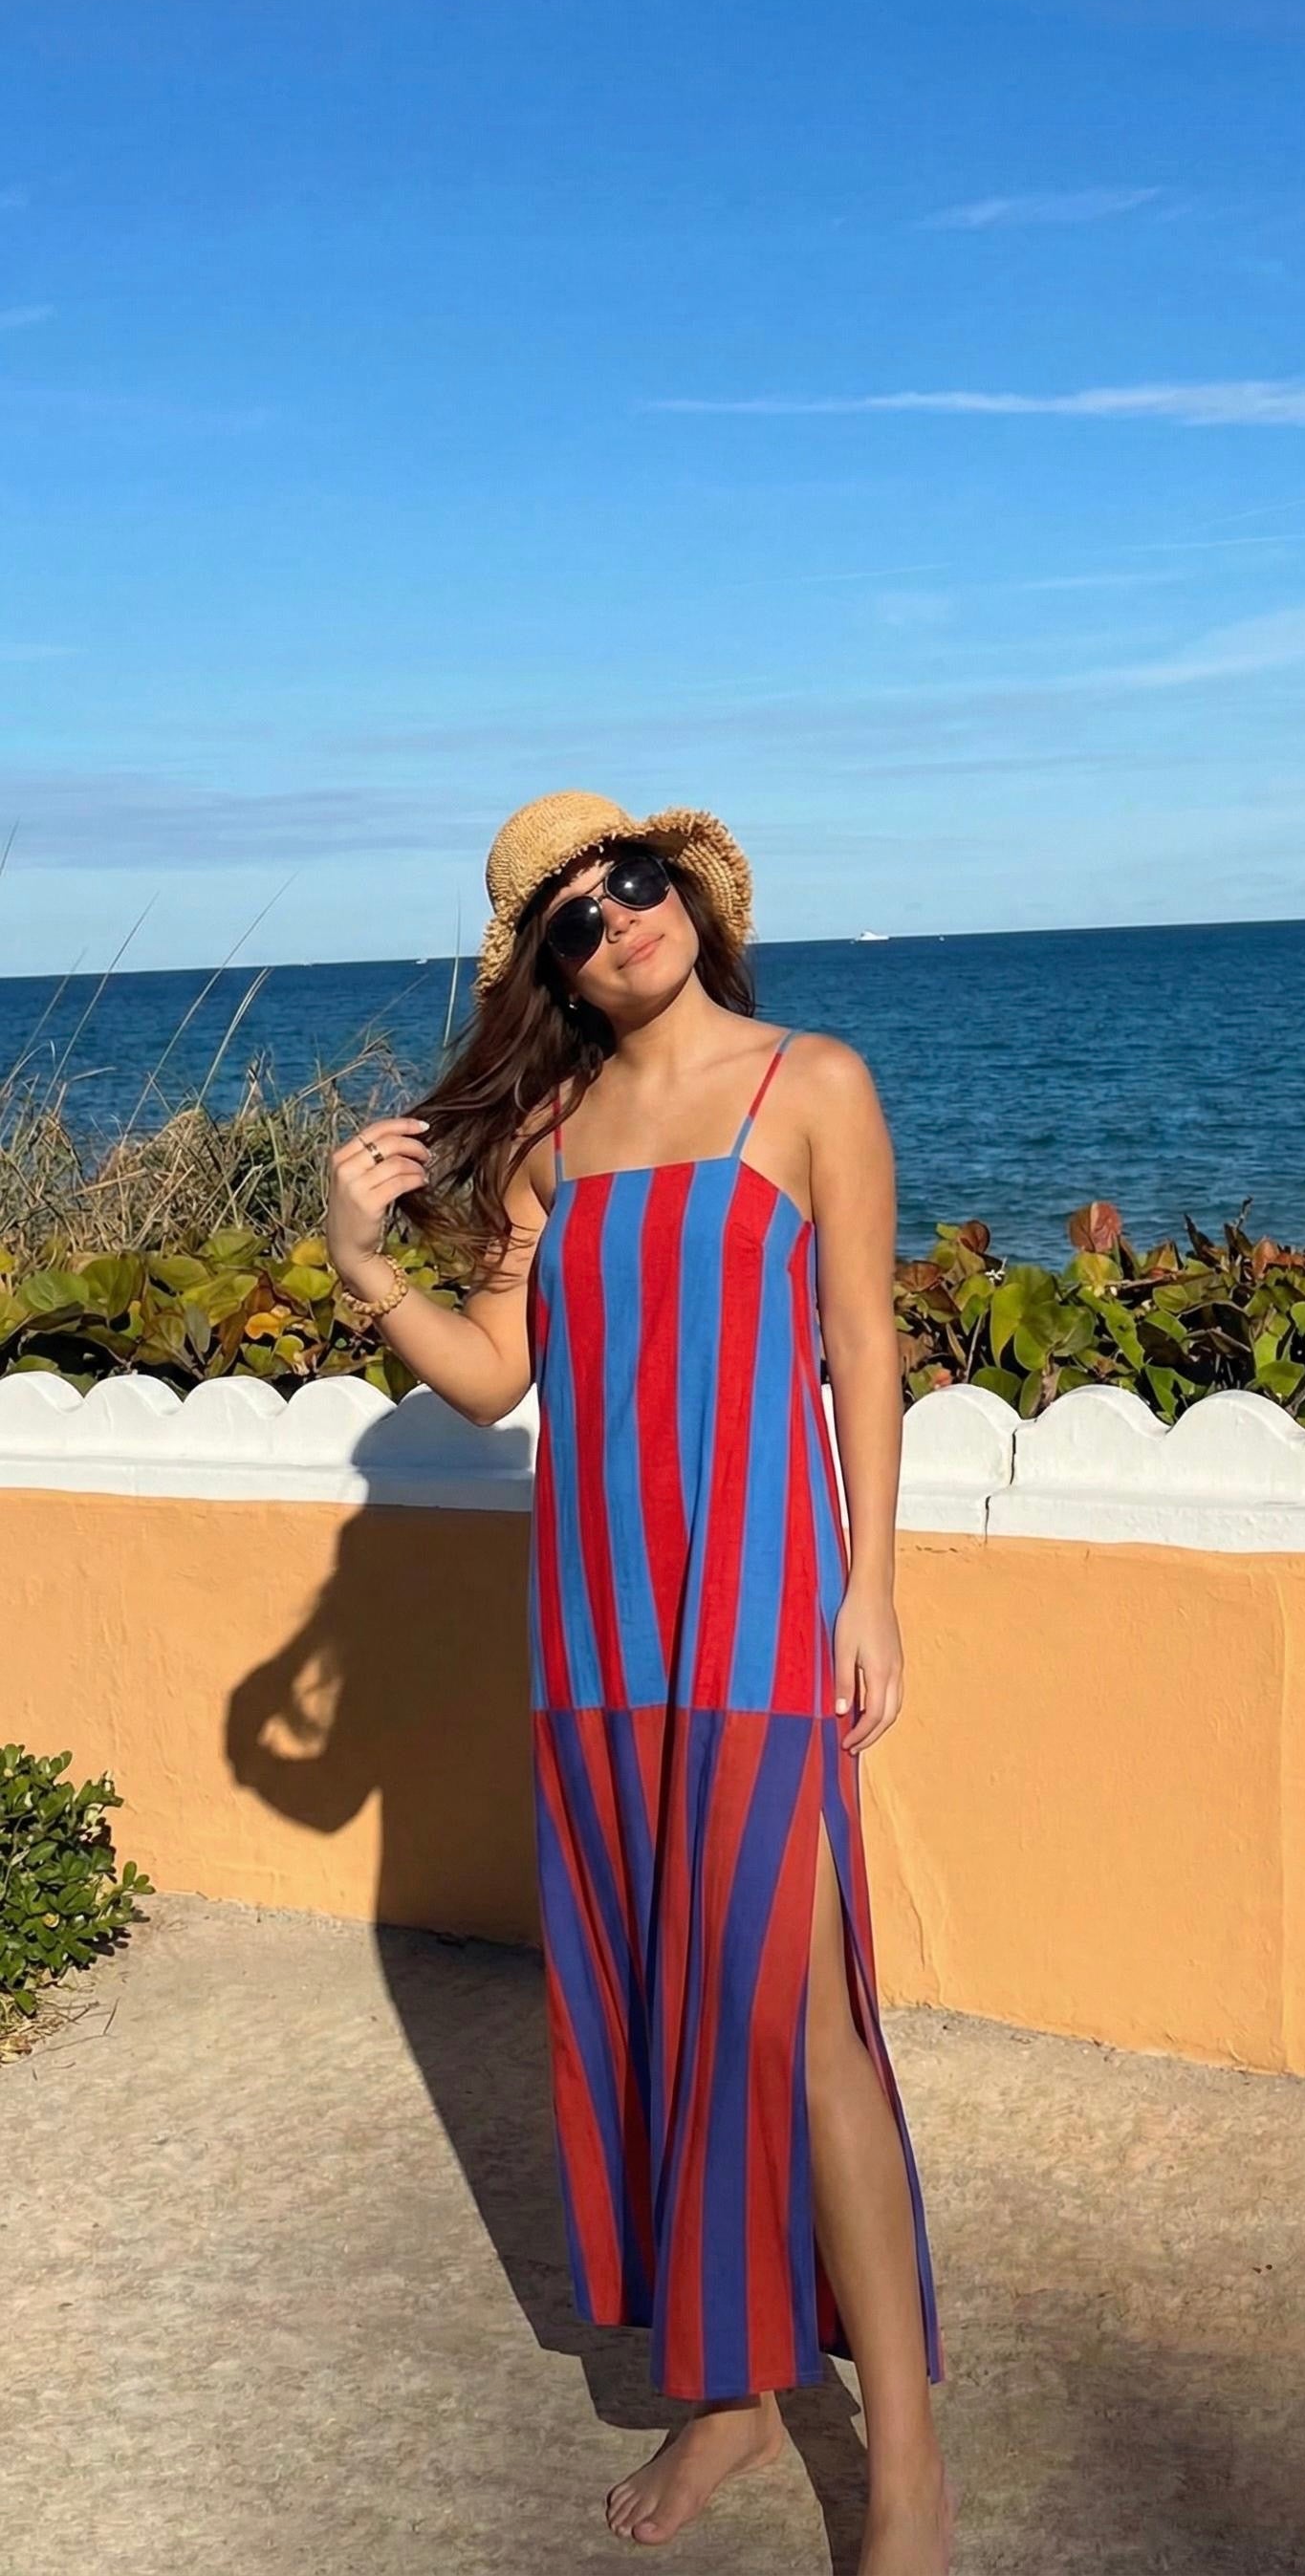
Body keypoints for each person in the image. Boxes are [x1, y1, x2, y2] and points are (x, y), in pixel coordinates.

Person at [325, 789, 948, 2570]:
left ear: (691, 892)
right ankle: (733, 2392)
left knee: (800, 2021)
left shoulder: (810, 1085)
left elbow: (862, 1348)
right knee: (656, 2004)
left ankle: (905, 2463)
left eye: (637, 881)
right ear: (552, 968)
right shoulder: (546, 1141)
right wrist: (364, 1263)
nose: (621, 919)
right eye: (577, 918)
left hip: (762, 1611)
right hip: (600, 1633)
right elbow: (496, 1379)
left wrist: (870, 1592)